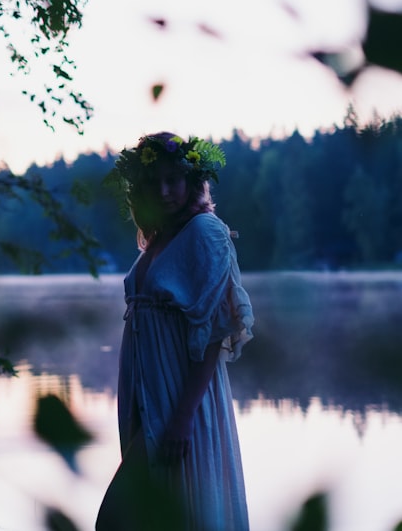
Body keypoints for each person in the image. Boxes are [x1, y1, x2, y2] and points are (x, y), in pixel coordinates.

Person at [96, 132, 254, 531]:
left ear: (191, 181)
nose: (165, 191)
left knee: (113, 520)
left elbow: (216, 333)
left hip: (180, 400)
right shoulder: (158, 238)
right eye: (154, 183)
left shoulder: (204, 232)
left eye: (174, 180)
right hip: (147, 393)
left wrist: (182, 419)